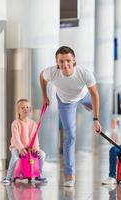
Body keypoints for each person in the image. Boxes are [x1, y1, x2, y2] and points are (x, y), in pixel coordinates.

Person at [40, 46, 101, 187]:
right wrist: (44, 95)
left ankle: (87, 107)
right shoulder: (52, 72)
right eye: (61, 61)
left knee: (95, 105)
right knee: (70, 136)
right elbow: (42, 76)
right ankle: (69, 174)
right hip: (65, 102)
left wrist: (96, 119)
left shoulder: (84, 73)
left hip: (83, 96)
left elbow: (95, 95)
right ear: (57, 62)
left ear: (74, 60)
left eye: (68, 60)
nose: (65, 64)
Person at [3, 99, 47, 184]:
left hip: (30, 148)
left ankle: (39, 174)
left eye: (27, 107)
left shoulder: (33, 124)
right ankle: (8, 177)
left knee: (42, 155)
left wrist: (36, 148)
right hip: (17, 147)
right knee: (15, 158)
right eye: (22, 108)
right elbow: (16, 138)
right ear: (18, 111)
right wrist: (20, 148)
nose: (25, 109)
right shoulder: (15, 123)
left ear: (30, 110)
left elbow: (35, 138)